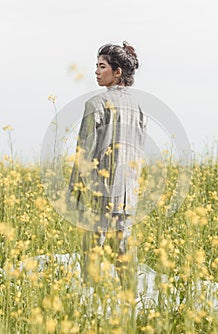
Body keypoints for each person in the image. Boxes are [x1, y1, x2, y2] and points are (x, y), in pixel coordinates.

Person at [67, 41, 147, 289]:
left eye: (102, 66)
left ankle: (90, 311)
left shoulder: (96, 104)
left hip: (98, 193)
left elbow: (85, 153)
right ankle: (130, 311)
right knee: (124, 258)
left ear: (117, 72)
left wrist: (74, 192)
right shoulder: (138, 108)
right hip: (127, 195)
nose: (96, 72)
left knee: (91, 257)